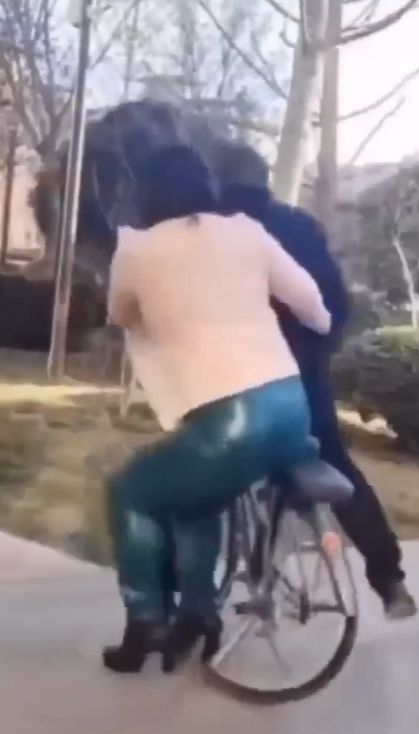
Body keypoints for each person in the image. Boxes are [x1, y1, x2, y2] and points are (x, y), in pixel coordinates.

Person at [104, 144, 335, 674]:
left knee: (129, 492)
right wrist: (317, 331)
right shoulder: (246, 231)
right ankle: (199, 613)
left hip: (229, 424)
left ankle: (146, 620)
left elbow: (121, 313)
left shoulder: (137, 249)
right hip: (290, 408)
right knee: (197, 497)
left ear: (145, 193)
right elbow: (309, 301)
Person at [215, 140, 416, 620]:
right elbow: (335, 305)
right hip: (302, 376)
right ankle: (389, 579)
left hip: (241, 375)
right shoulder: (299, 226)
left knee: (230, 466)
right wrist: (315, 352)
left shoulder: (214, 233)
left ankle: (239, 583)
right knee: (335, 463)